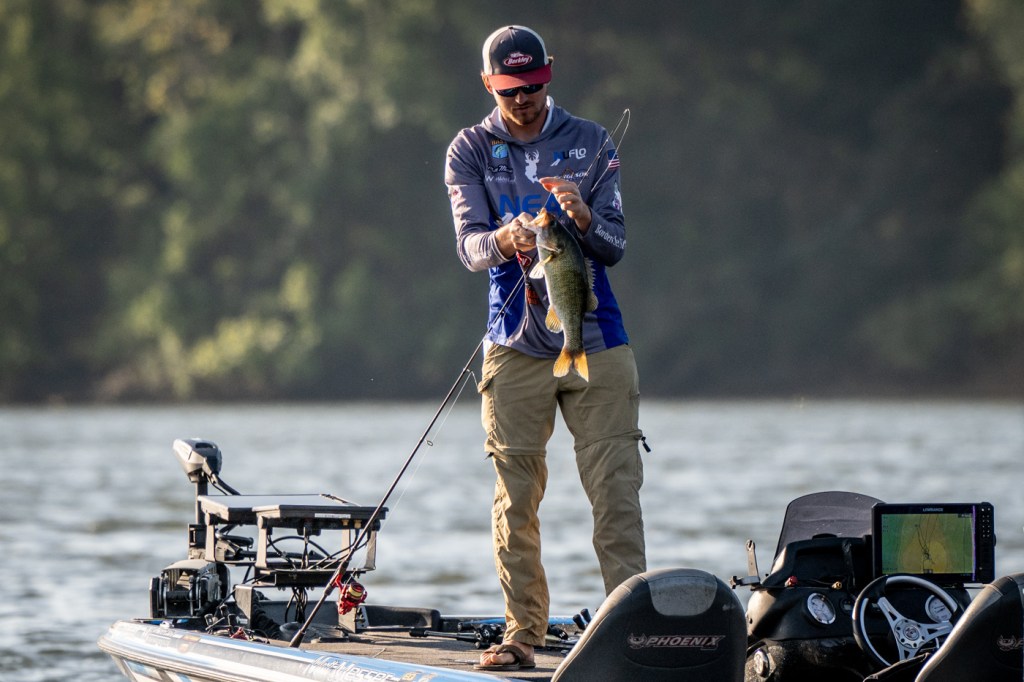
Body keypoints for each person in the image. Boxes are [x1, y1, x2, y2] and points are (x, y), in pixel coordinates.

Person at [444, 25, 647, 671]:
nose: (522, 98)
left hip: (597, 338)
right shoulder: (469, 149)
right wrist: (506, 239)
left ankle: (630, 634)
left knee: (615, 494)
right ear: (488, 84)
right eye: (509, 89)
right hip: (513, 344)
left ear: (549, 75)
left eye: (532, 85)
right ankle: (523, 636)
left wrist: (582, 217)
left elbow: (614, 244)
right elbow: (470, 249)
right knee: (516, 498)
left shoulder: (590, 140)